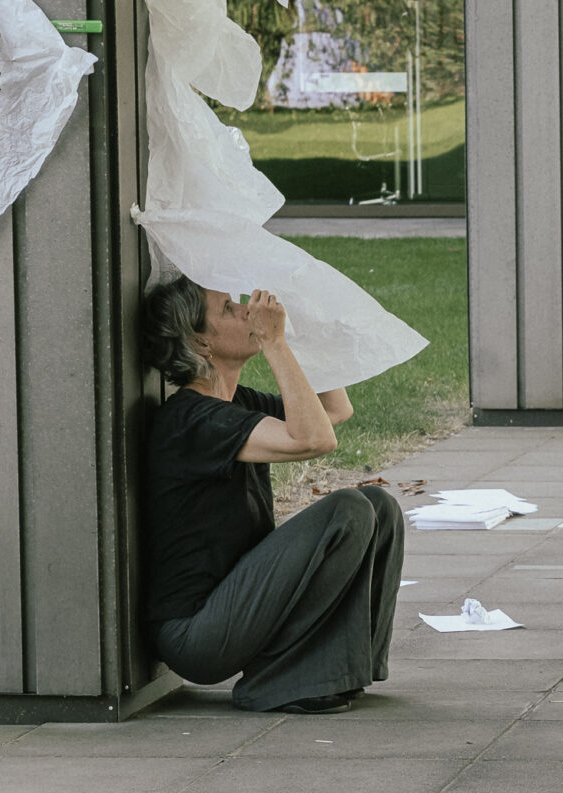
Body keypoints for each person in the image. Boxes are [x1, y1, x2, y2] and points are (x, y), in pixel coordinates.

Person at [140, 278, 404, 714]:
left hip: (235, 609)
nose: (245, 309)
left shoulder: (234, 401)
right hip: (197, 633)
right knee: (348, 510)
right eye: (227, 309)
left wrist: (300, 333)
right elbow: (314, 439)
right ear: (200, 342)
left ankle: (341, 670)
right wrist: (274, 343)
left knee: (380, 508)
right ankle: (278, 682)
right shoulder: (191, 419)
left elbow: (334, 411)